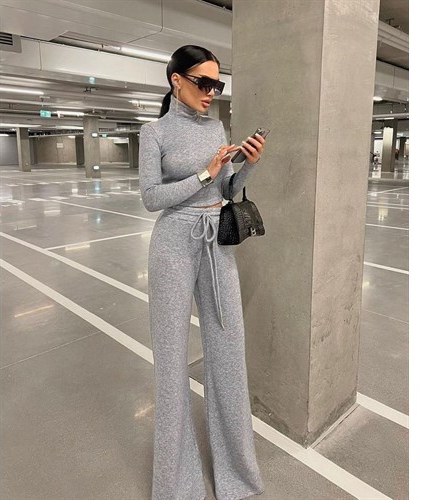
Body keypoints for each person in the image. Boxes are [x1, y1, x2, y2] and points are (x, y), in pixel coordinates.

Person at [139, 44, 267, 500]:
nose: (212, 92)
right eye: (204, 82)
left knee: (229, 353)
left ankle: (237, 475)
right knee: (171, 362)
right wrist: (202, 174)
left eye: (217, 84)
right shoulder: (154, 132)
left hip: (216, 244)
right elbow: (151, 198)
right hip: (173, 244)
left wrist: (247, 164)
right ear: (177, 80)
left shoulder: (216, 127)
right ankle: (177, 486)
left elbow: (227, 189)